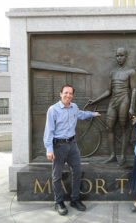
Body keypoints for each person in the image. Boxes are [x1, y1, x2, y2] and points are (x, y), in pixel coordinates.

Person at [43, 84, 101, 216]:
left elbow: (81, 114)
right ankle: (59, 202)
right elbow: (49, 131)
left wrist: (93, 114)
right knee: (57, 176)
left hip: (72, 144)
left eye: (70, 93)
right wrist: (49, 149)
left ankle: (75, 200)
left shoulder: (74, 107)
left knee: (77, 172)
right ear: (60, 93)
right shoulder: (53, 110)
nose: (68, 95)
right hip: (58, 146)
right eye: (66, 93)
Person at [89, 47, 136, 165]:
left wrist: (131, 106)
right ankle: (112, 155)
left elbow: (134, 90)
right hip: (113, 101)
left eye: (122, 56)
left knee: (123, 127)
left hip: (124, 100)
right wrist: (95, 100)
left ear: (126, 56)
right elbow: (108, 91)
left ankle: (123, 156)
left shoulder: (131, 72)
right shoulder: (112, 73)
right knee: (109, 127)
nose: (119, 58)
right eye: (117, 56)